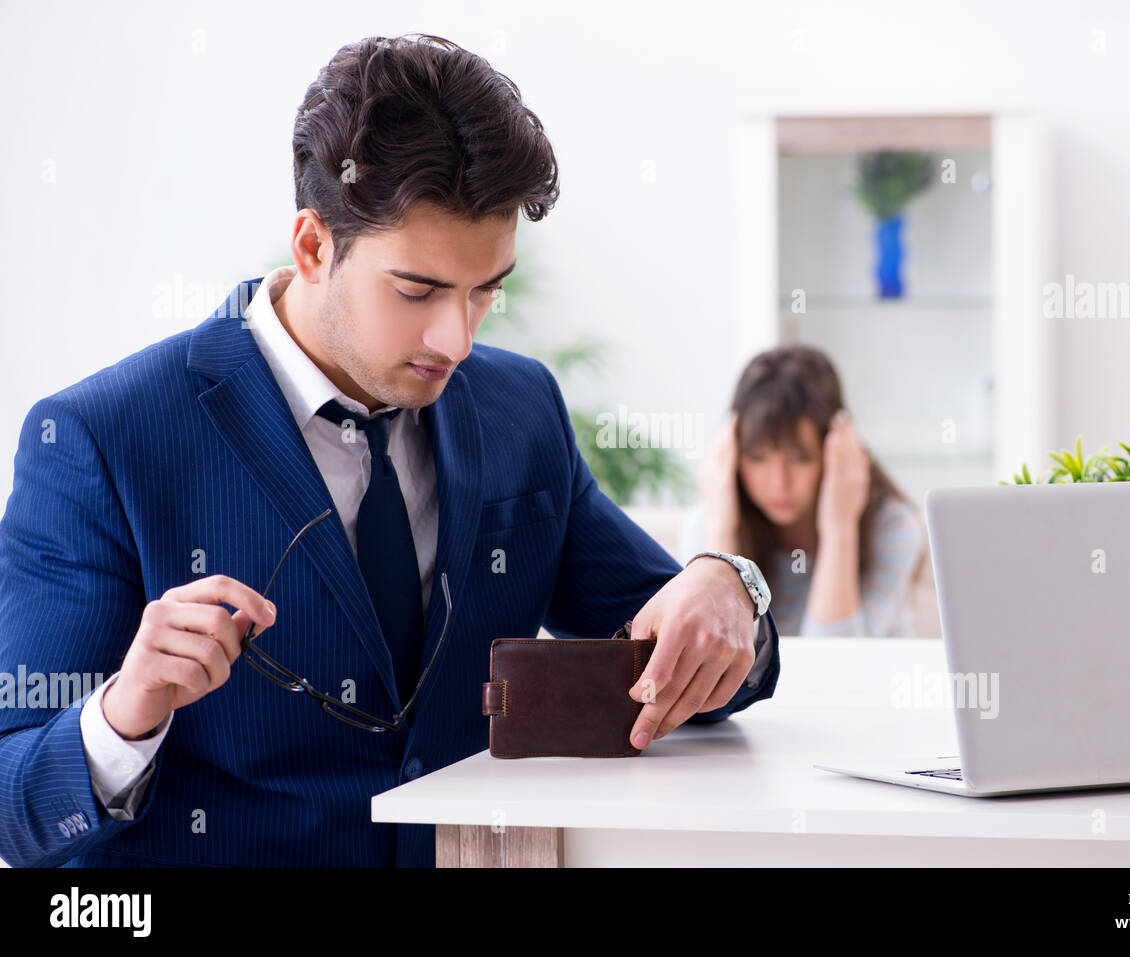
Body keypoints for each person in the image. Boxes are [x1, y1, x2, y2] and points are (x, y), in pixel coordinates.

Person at [0, 33, 779, 868]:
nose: (458, 339)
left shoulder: (521, 410)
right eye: (418, 290)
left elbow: (687, 660)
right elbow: (15, 809)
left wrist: (729, 585)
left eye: (486, 290)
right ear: (312, 247)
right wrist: (125, 714)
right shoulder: (101, 438)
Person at [681, 344, 939, 638]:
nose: (779, 483)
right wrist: (721, 538)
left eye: (800, 458)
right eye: (758, 457)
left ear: (836, 449)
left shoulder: (893, 529)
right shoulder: (708, 524)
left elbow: (838, 658)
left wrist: (839, 529)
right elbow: (719, 654)